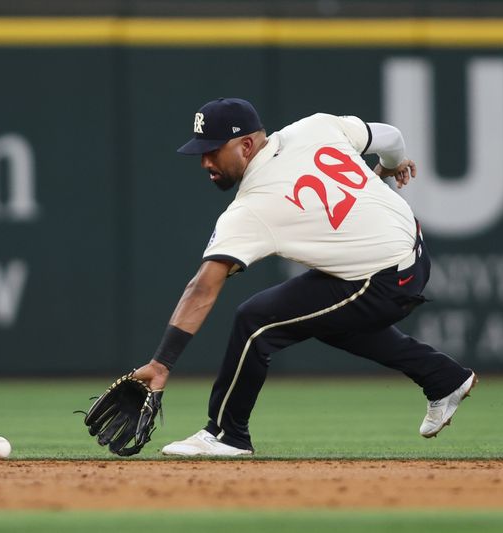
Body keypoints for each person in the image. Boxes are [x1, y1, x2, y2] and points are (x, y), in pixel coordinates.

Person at [132, 97, 476, 456]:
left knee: (255, 321)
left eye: (214, 151)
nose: (205, 161)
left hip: (383, 278)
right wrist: (391, 165)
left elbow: (202, 287)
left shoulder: (252, 206)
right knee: (327, 320)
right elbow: (390, 137)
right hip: (413, 252)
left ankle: (225, 434)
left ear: (246, 145)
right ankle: (444, 378)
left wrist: (161, 363)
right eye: (201, 152)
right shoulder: (315, 127)